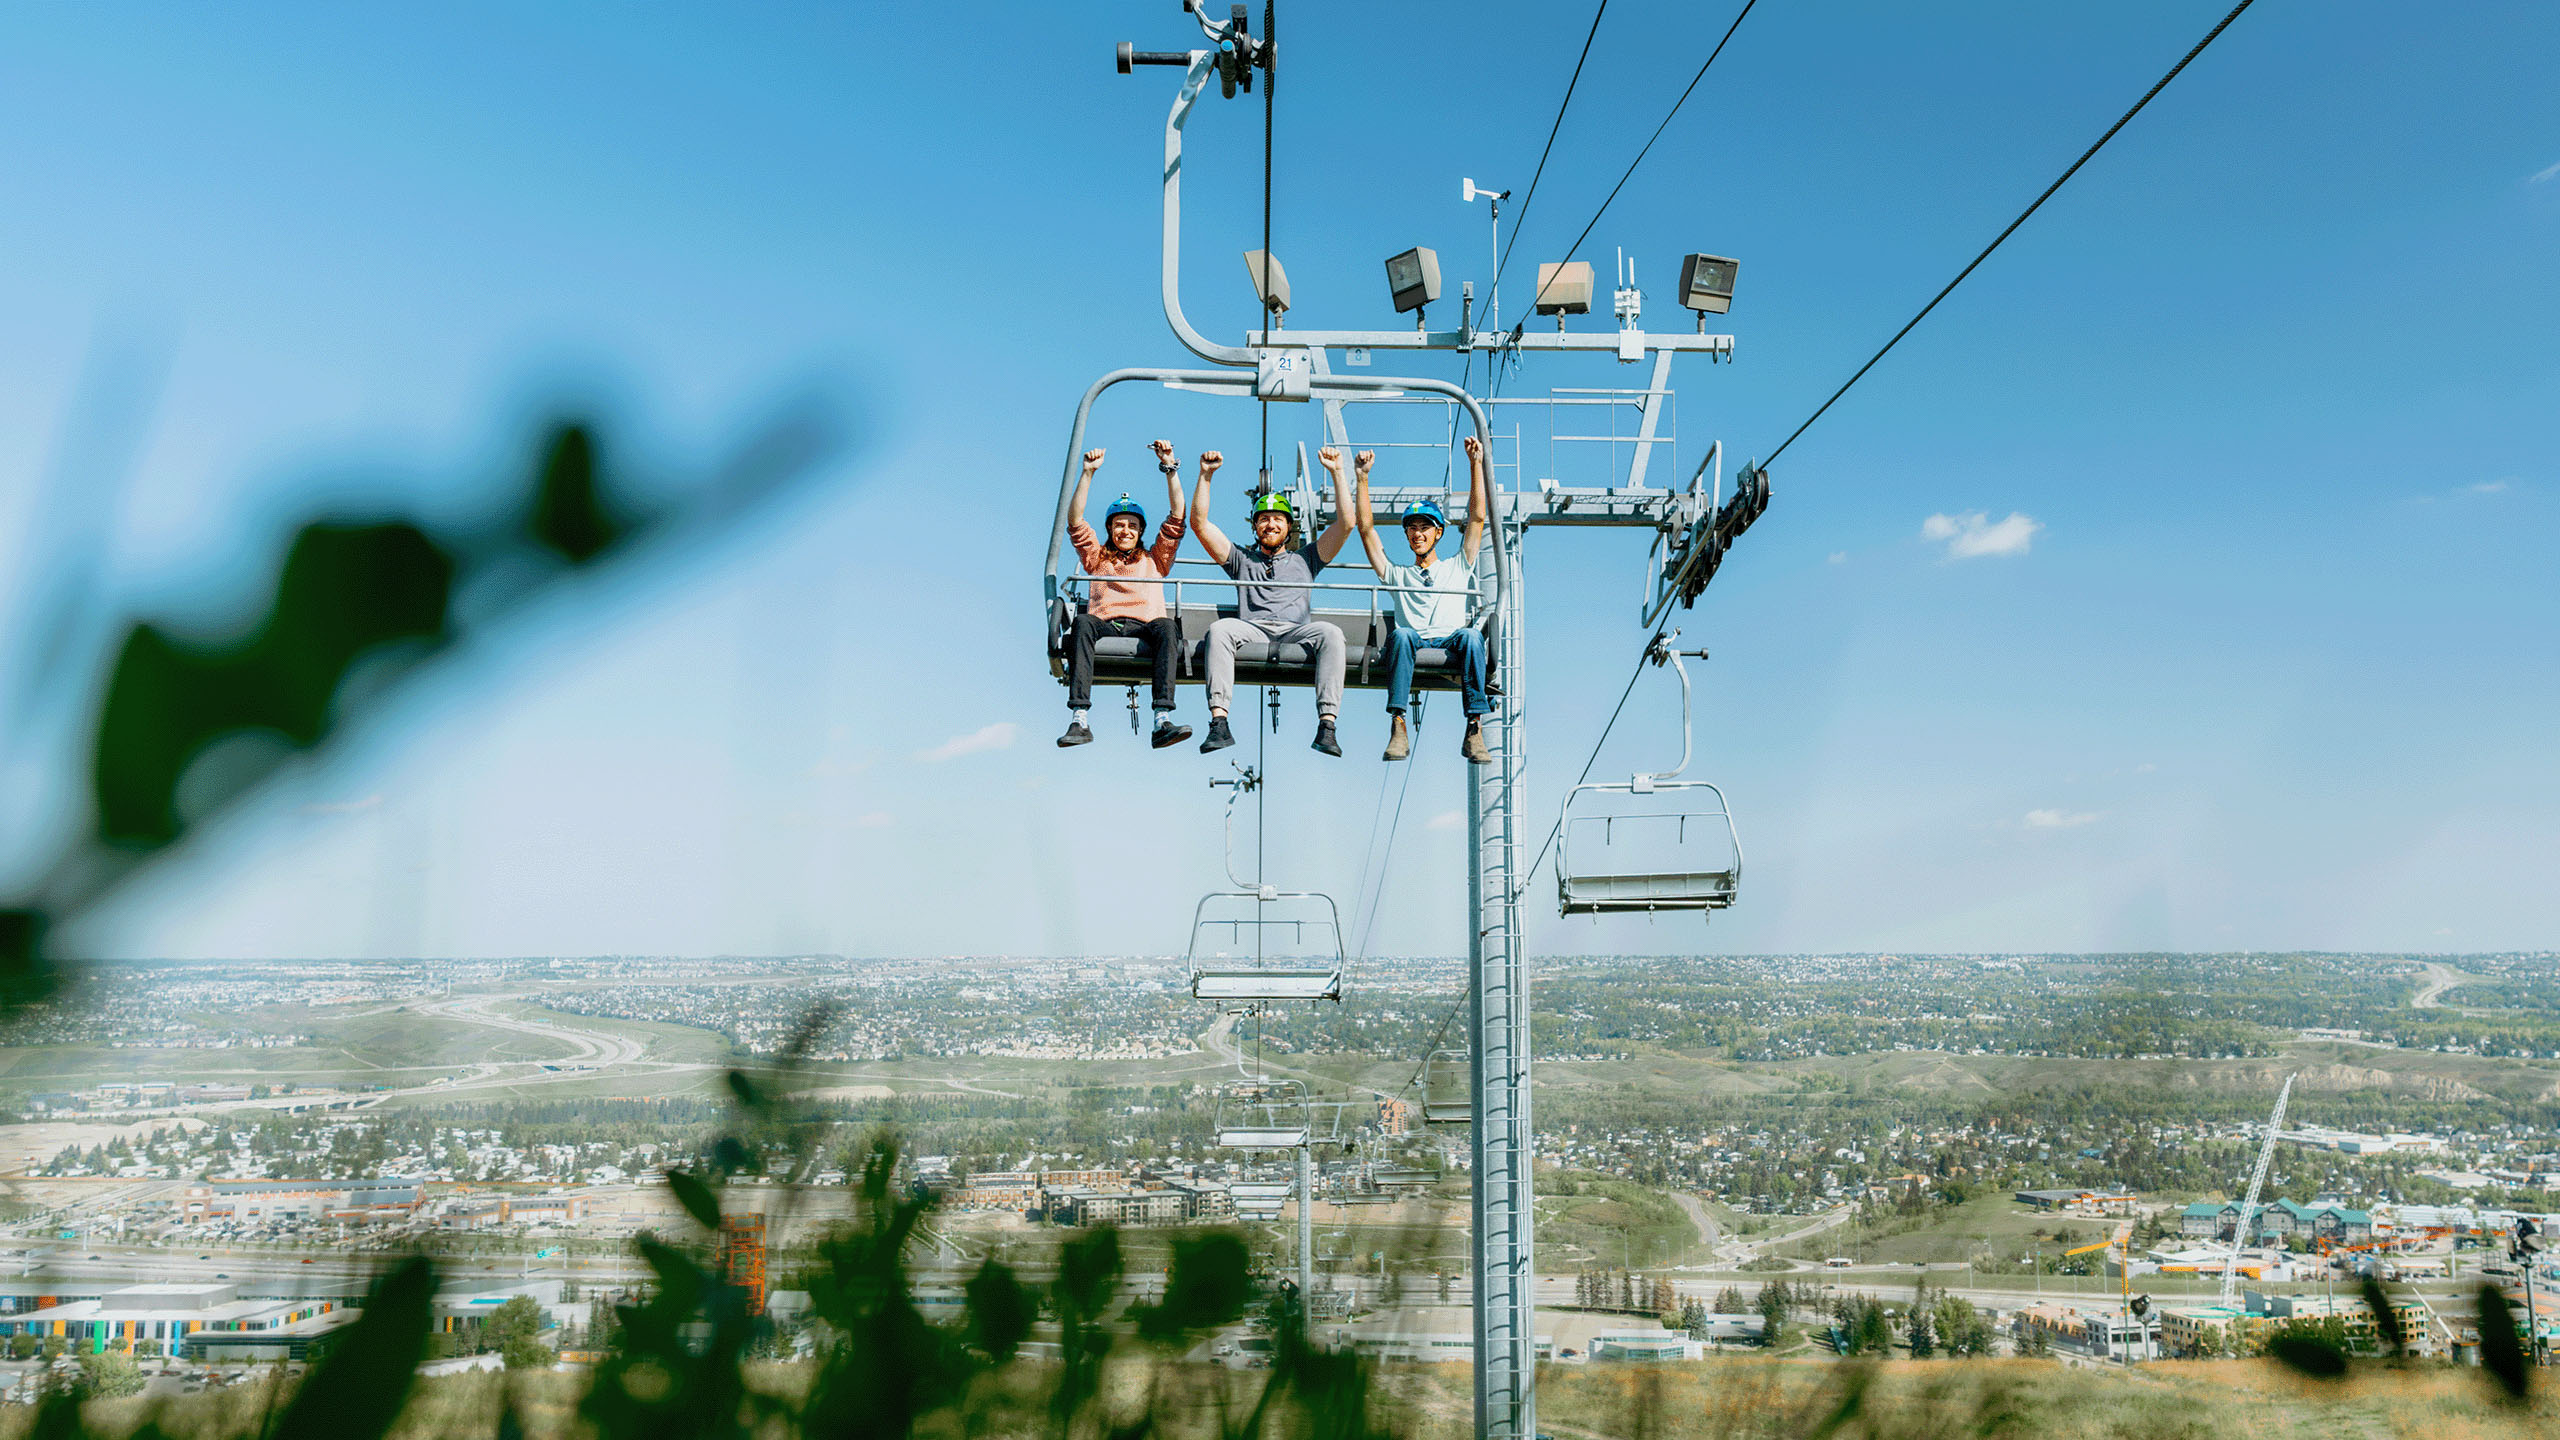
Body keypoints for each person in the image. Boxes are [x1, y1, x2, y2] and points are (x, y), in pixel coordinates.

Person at [1189, 448, 1354, 755]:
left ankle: (1327, 726)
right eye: (1264, 519)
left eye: (1278, 519)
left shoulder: (1308, 559)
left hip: (1294, 630)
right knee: (1221, 630)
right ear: (1255, 527)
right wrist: (1206, 476)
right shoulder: (1241, 559)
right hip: (1252, 629)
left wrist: (1338, 473)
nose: (1271, 525)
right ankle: (1219, 723)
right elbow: (1199, 524)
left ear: (1289, 527)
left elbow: (1346, 524)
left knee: (1331, 633)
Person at [1344, 436, 1491, 763]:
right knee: (1400, 634)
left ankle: (1474, 726)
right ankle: (1398, 724)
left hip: (1450, 639)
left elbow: (1478, 518)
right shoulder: (1397, 574)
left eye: (1425, 527)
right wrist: (1362, 478)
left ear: (1438, 532)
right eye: (1412, 528)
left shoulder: (1458, 565)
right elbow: (1366, 530)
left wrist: (1475, 464)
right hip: (1415, 641)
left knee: (1471, 636)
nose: (1418, 534)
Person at [1059, 440, 1191, 749]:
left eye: (1132, 526)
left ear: (1141, 530)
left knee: (1168, 627)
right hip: (1106, 623)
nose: (1126, 531)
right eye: (1119, 525)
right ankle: (1079, 718)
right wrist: (1088, 473)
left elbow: (1177, 516)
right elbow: (1075, 522)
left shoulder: (1155, 559)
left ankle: (1162, 718)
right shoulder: (1097, 558)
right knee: (1082, 623)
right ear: (1110, 529)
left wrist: (1169, 467)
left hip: (1144, 625)